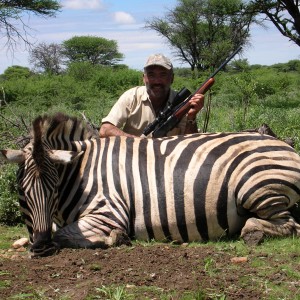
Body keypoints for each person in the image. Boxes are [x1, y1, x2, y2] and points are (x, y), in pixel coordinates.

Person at [99, 54, 204, 138]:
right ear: (144, 78)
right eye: (151, 75)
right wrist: (138, 142)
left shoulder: (181, 102)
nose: (157, 81)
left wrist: (191, 117)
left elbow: (191, 142)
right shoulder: (131, 96)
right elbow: (105, 129)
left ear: (172, 78)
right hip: (133, 157)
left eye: (163, 75)